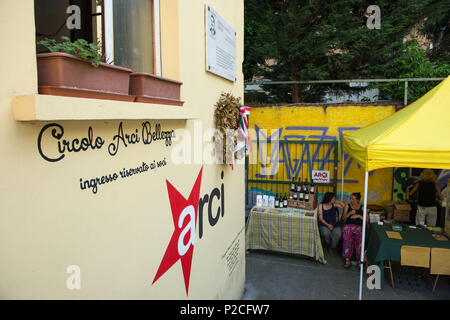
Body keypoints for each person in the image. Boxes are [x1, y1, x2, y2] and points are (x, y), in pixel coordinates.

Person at [341, 192, 368, 268]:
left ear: (357, 200)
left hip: (358, 227)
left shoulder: (362, 207)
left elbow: (367, 219)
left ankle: (360, 260)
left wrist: (359, 216)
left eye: (353, 199)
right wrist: (349, 213)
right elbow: (343, 218)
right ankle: (347, 259)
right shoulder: (347, 206)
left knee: (360, 240)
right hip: (348, 226)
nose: (351, 200)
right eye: (350, 198)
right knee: (347, 237)